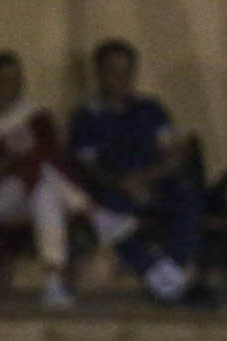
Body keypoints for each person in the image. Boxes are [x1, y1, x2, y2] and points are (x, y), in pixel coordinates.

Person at [0, 52, 138, 309]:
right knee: (42, 173)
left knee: (45, 191)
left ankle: (53, 284)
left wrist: (13, 161)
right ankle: (94, 213)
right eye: (4, 80)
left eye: (17, 79)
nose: (12, 86)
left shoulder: (35, 117)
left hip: (31, 191)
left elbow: (50, 151)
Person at [67, 39, 202, 302]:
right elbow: (88, 166)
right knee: (106, 214)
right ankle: (159, 276)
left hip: (153, 181)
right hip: (113, 187)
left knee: (186, 198)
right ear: (99, 74)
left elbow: (173, 154)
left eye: (126, 72)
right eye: (113, 71)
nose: (120, 79)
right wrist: (124, 183)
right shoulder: (86, 117)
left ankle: (171, 273)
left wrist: (144, 179)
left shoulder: (150, 110)